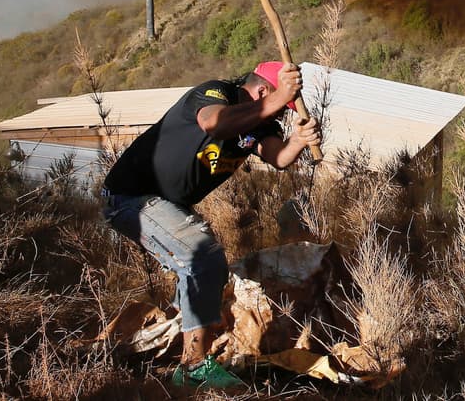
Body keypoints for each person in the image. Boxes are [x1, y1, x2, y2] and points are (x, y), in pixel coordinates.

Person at [103, 60, 321, 390]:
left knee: (206, 269)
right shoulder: (216, 93)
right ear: (263, 90)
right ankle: (193, 367)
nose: (279, 116)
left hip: (167, 204)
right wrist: (278, 99)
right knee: (203, 258)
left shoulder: (260, 124)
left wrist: (299, 140)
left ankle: (171, 344)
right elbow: (214, 124)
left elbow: (278, 157)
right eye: (280, 107)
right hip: (131, 197)